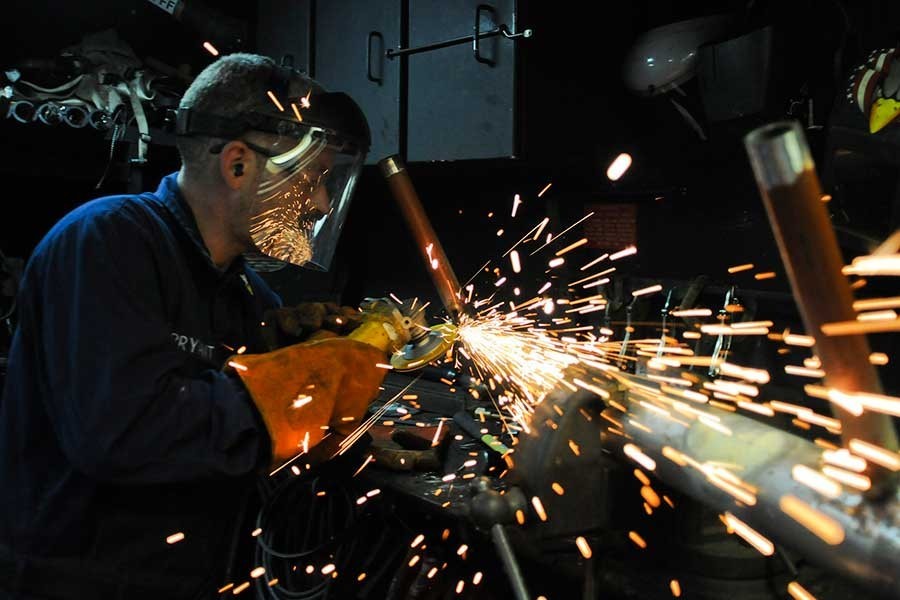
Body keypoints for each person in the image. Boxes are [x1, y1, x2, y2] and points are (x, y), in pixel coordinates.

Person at [0, 53, 403, 599]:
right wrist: (296, 382)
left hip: (198, 576)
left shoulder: (247, 291)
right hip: (84, 578)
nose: (320, 203)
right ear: (238, 164)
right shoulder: (106, 242)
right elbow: (121, 434)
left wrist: (300, 354)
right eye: (314, 179)